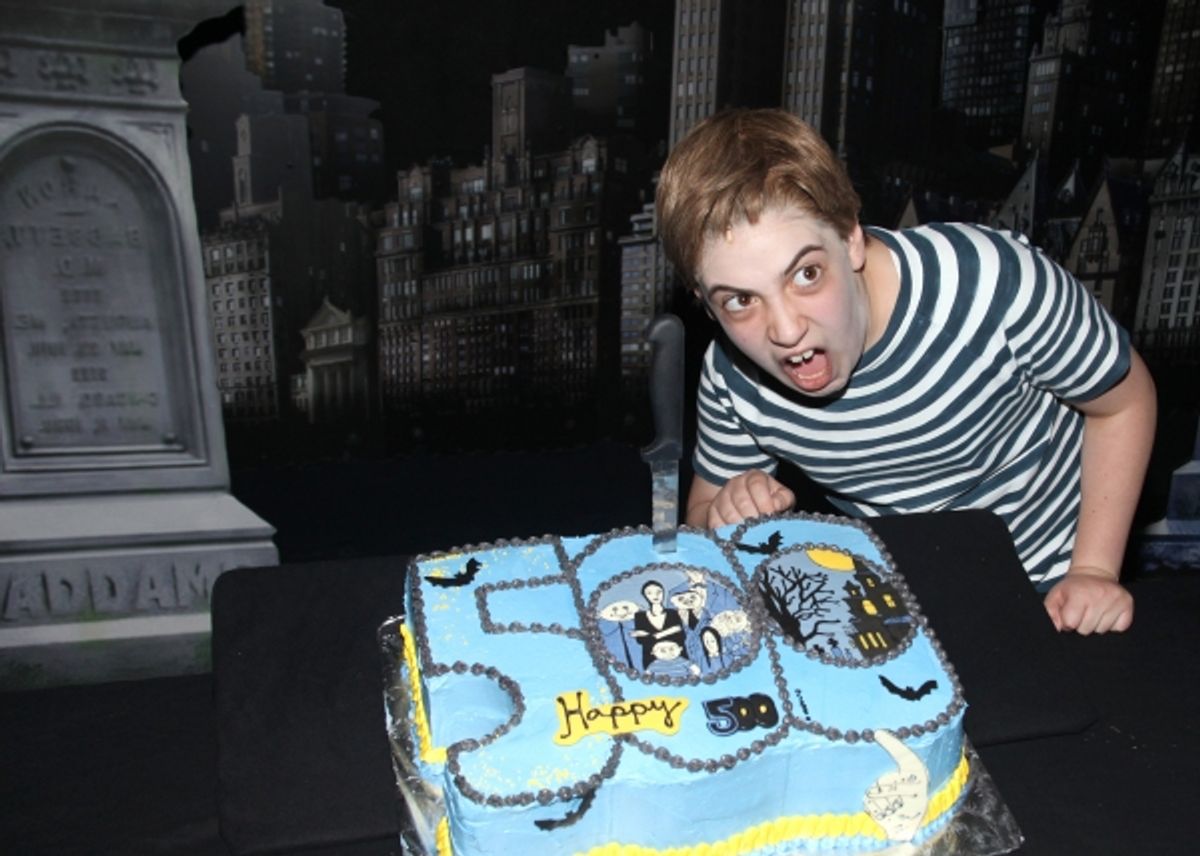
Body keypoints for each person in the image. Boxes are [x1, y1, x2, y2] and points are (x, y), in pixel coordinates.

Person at [655, 108, 1156, 635]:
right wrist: (723, 512)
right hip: (906, 609)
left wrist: (1094, 570)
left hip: (1056, 583)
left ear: (850, 238)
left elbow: (1124, 401)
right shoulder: (733, 381)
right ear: (705, 305)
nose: (784, 330)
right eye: (739, 300)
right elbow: (698, 514)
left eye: (806, 274)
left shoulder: (990, 283)